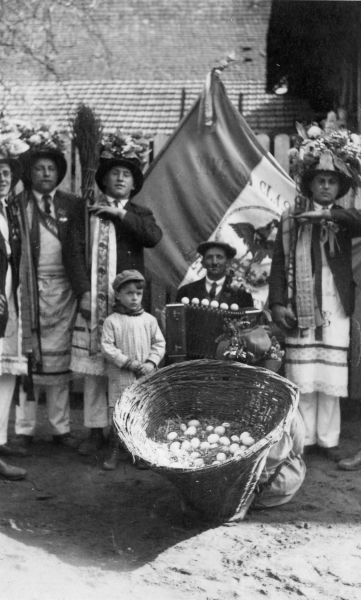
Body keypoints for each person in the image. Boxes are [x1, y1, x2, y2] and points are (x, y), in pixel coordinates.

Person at [269, 135, 361, 461]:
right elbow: (279, 263)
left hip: (335, 302)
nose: (325, 186)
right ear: (309, 185)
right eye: (320, 180)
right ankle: (303, 439)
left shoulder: (345, 218)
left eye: (331, 182)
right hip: (301, 301)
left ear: (339, 189)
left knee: (330, 374)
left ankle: (329, 439)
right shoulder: (291, 219)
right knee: (303, 376)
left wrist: (326, 217)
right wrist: (278, 302)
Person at [71, 132, 162, 456]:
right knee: (97, 366)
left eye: (126, 175)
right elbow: (74, 251)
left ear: (133, 184)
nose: (120, 178)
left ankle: (126, 433)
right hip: (95, 302)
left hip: (128, 307)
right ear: (104, 180)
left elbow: (153, 238)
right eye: (115, 173)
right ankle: (96, 430)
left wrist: (121, 215)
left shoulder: (139, 214)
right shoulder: (88, 211)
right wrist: (83, 291)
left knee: (127, 367)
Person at [13, 133, 91, 449]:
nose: (45, 173)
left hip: (65, 291)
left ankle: (61, 429)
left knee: (60, 363)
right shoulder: (16, 204)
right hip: (27, 290)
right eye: (39, 168)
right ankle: (24, 429)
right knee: (27, 362)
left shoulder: (73, 204)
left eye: (50, 168)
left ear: (58, 173)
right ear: (29, 173)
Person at [100, 269, 165, 470]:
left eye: (138, 293)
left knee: (140, 413)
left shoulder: (149, 320)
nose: (134, 297)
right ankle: (114, 450)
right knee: (119, 412)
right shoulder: (112, 321)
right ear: (118, 295)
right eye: (129, 293)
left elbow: (159, 343)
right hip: (121, 375)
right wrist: (128, 363)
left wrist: (151, 363)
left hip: (144, 376)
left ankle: (138, 453)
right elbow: (107, 347)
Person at [0, 145, 28, 480]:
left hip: (8, 300)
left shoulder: (8, 211)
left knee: (5, 373)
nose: (2, 179)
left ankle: (1, 439)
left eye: (6, 174)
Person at [176, 241, 254, 307]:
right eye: (209, 257)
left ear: (228, 262)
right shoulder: (186, 291)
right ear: (203, 263)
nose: (214, 262)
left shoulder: (242, 296)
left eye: (219, 257)